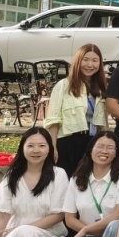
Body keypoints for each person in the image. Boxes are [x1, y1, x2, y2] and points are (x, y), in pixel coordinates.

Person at [44, 44, 108, 175]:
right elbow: (53, 119)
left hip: (92, 141)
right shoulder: (64, 85)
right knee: (67, 179)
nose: (90, 65)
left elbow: (103, 121)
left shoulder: (101, 88)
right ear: (78, 61)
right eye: (85, 60)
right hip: (68, 142)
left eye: (95, 60)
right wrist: (52, 147)